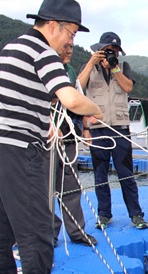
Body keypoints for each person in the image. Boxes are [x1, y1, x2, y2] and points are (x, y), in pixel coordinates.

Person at [0, 0, 102, 274]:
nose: (71, 42)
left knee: (2, 227)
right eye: (71, 34)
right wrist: (96, 110)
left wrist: (45, 122)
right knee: (36, 224)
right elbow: (71, 98)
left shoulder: (12, 48)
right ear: (53, 25)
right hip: (19, 151)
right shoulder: (44, 52)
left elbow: (16, 98)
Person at [78, 32, 148, 230]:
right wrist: (91, 63)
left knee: (126, 174)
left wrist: (115, 68)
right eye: (108, 50)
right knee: (100, 175)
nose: (111, 54)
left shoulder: (123, 67)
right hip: (98, 129)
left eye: (115, 51)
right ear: (99, 50)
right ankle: (104, 215)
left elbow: (127, 88)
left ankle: (136, 215)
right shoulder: (89, 67)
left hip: (120, 128)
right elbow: (78, 88)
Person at [48, 43, 98, 247]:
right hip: (46, 141)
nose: (70, 50)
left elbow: (77, 99)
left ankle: (77, 232)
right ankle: (48, 233)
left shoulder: (68, 71)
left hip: (68, 138)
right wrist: (48, 123)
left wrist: (86, 128)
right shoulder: (43, 67)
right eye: (65, 46)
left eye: (72, 46)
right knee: (45, 188)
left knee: (71, 186)